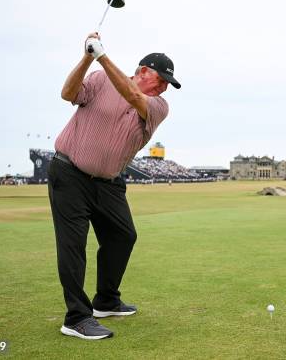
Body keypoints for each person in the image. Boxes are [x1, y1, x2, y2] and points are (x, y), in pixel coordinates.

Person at [47, 32, 180, 340]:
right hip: (69, 174)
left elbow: (133, 96)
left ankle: (106, 300)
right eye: (161, 80)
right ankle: (76, 318)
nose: (163, 88)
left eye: (167, 85)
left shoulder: (158, 105)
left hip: (109, 183)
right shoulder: (98, 78)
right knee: (73, 246)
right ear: (143, 71)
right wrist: (87, 58)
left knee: (123, 235)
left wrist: (103, 56)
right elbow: (68, 94)